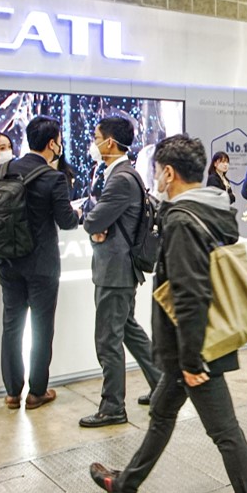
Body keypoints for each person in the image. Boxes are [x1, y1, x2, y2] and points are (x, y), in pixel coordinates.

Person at [88, 134, 247, 493]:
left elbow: (189, 294)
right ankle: (125, 485)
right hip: (193, 342)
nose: (155, 177)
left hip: (195, 348)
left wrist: (191, 361)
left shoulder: (182, 220)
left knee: (225, 431)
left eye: (157, 170)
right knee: (161, 413)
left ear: (169, 173)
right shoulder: (211, 208)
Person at [79, 117, 163, 427]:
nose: (94, 143)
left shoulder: (120, 179)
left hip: (115, 271)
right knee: (128, 330)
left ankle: (112, 406)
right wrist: (99, 225)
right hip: (122, 268)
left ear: (110, 142)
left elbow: (93, 220)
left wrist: (94, 224)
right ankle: (162, 384)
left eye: (96, 137)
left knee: (108, 339)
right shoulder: (128, 175)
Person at [0, 117, 81, 410]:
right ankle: (37, 392)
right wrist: (77, 214)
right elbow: (66, 221)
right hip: (42, 264)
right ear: (52, 144)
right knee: (41, 327)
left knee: (12, 325)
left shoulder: (5, 169)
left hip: (8, 259)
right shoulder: (53, 178)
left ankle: (11, 392)